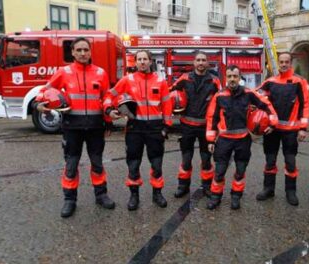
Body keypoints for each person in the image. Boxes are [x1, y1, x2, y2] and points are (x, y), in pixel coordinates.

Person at [35, 37, 115, 218]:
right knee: (71, 165)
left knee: (97, 163)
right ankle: (70, 200)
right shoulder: (64, 72)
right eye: (78, 50)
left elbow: (107, 97)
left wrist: (108, 121)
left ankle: (101, 195)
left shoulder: (100, 73)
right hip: (72, 127)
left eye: (86, 50)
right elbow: (44, 91)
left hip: (95, 127)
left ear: (90, 51)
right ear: (72, 52)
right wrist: (40, 104)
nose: (83, 53)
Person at [104, 50, 173, 211]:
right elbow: (109, 95)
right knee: (133, 163)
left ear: (150, 61)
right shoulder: (127, 80)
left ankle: (157, 193)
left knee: (156, 163)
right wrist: (108, 110)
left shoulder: (160, 81)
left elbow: (167, 104)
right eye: (139, 59)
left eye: (145, 59)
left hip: (155, 129)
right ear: (135, 62)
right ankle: (134, 195)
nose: (142, 62)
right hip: (135, 129)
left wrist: (167, 126)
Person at [205, 65, 278, 210]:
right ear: (226, 78)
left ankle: (236, 196)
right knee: (219, 171)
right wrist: (210, 140)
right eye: (230, 76)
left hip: (242, 140)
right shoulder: (219, 96)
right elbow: (211, 118)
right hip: (224, 140)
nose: (232, 79)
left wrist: (273, 122)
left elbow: (266, 105)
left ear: (239, 78)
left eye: (235, 76)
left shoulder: (248, 93)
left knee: (240, 171)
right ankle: (215, 197)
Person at [255, 52, 309, 206]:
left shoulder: (299, 82)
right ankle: (268, 189)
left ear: (290, 63)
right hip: (272, 130)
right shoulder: (270, 81)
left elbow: (305, 104)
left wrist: (303, 128)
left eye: (287, 62)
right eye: (281, 62)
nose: (284, 64)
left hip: (291, 131)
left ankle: (290, 192)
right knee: (270, 160)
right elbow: (255, 95)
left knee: (290, 162)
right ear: (278, 63)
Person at [170, 51, 222, 198]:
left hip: (206, 127)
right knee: (186, 159)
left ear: (208, 63)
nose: (200, 63)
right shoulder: (184, 78)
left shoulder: (214, 81)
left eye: (203, 60)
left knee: (206, 160)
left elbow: (223, 100)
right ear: (194, 63)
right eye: (198, 60)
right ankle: (183, 186)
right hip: (187, 126)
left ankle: (206, 187)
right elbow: (169, 93)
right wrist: (174, 106)